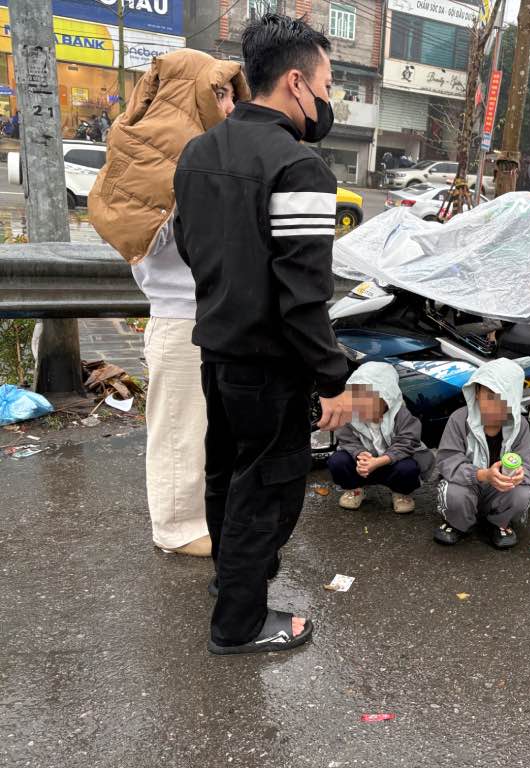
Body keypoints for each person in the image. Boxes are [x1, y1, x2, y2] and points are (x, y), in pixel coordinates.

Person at [173, 13, 354, 655]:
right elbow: (303, 295)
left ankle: (233, 579)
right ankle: (240, 622)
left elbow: (193, 251)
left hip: (217, 352)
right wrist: (333, 377)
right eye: (329, 84)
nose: (329, 99)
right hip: (270, 368)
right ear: (297, 83)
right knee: (267, 489)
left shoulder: (198, 152)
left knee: (224, 474)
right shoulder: (299, 167)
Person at [88, 50, 249, 559]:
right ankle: (176, 529)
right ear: (190, 93)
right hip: (180, 313)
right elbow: (145, 235)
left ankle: (196, 518)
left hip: (202, 313)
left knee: (199, 428)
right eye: (218, 92)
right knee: (179, 429)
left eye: (229, 93)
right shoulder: (168, 156)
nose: (228, 105)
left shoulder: (191, 152)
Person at [434, 359, 530, 549]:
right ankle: (458, 523)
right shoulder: (459, 419)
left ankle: (498, 523)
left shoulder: (521, 427)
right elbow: (447, 461)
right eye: (489, 395)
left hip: (499, 492)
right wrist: (483, 475)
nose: (494, 405)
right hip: (467, 486)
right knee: (453, 494)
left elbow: (528, 467)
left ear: (512, 399)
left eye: (502, 396)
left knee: (523, 494)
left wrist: (519, 475)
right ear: (477, 393)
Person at [327, 362, 434, 514]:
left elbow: (407, 442)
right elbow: (346, 439)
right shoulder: (349, 414)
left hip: (391, 464)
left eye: (369, 401)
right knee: (338, 461)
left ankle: (400, 492)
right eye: (357, 400)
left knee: (408, 468)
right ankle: (355, 489)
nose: (361, 406)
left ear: (386, 399)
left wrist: (379, 461)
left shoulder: (401, 415)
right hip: (363, 466)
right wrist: (359, 453)